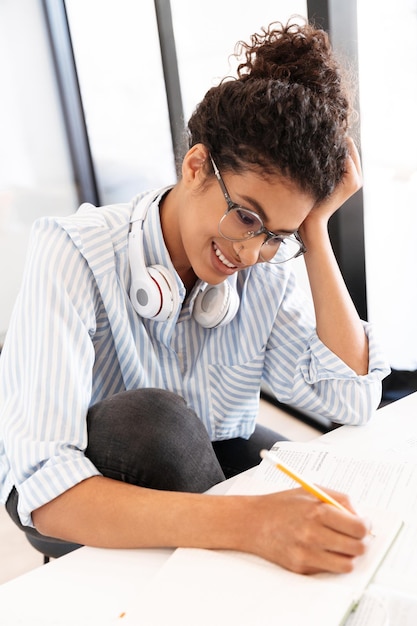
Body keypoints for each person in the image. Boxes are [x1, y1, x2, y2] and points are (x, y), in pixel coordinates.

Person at [0, 19, 389, 575]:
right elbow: (46, 487)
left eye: (278, 235)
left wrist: (317, 231)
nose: (252, 252)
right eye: (248, 216)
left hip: (199, 442)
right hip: (77, 481)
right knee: (158, 422)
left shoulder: (262, 264)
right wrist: (250, 523)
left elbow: (350, 398)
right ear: (196, 165)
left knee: (312, 486)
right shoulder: (73, 254)